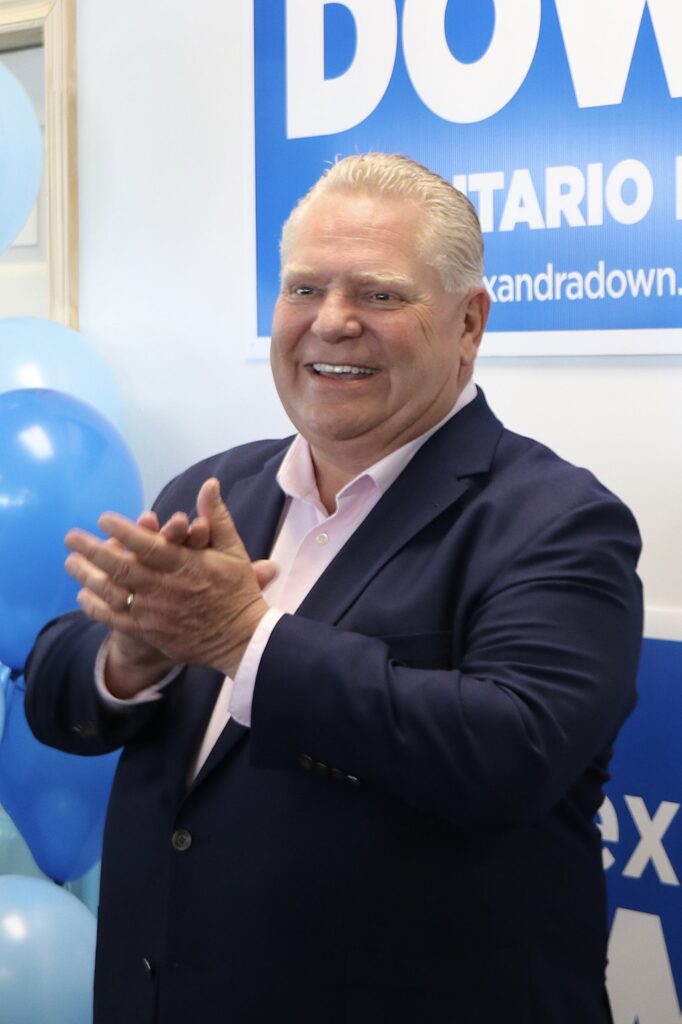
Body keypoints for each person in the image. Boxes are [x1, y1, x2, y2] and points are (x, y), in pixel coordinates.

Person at [25, 153, 642, 1024]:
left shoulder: (559, 520)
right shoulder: (211, 489)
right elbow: (57, 695)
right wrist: (129, 658)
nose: (332, 323)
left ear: (469, 323)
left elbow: (513, 754)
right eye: (304, 289)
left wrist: (246, 639)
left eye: (380, 295)